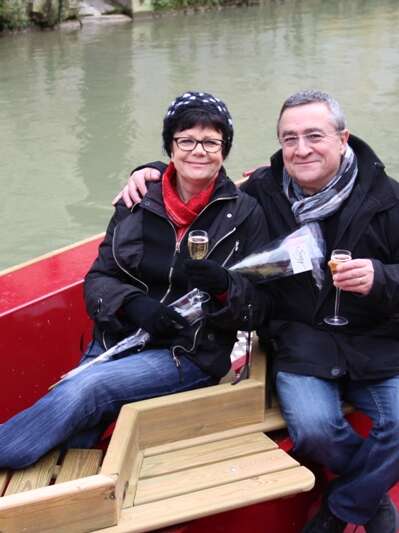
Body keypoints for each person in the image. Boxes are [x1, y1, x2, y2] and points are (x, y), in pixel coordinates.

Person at [118, 90, 399, 533]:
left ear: (343, 138)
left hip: (377, 342)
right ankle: (372, 498)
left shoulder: (388, 199)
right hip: (302, 341)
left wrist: (382, 278)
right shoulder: (262, 192)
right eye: (289, 138)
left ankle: (342, 508)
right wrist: (151, 172)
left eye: (314, 136)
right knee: (314, 430)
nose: (301, 148)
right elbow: (201, 177)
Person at [0, 91, 268, 470]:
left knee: (88, 390)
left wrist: (225, 285)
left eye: (211, 142)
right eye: (186, 140)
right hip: (117, 339)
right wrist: (132, 305)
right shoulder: (138, 200)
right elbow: (99, 279)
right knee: (74, 433)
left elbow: (257, 306)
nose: (198, 150)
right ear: (170, 147)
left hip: (185, 353)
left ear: (225, 150)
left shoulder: (245, 213)